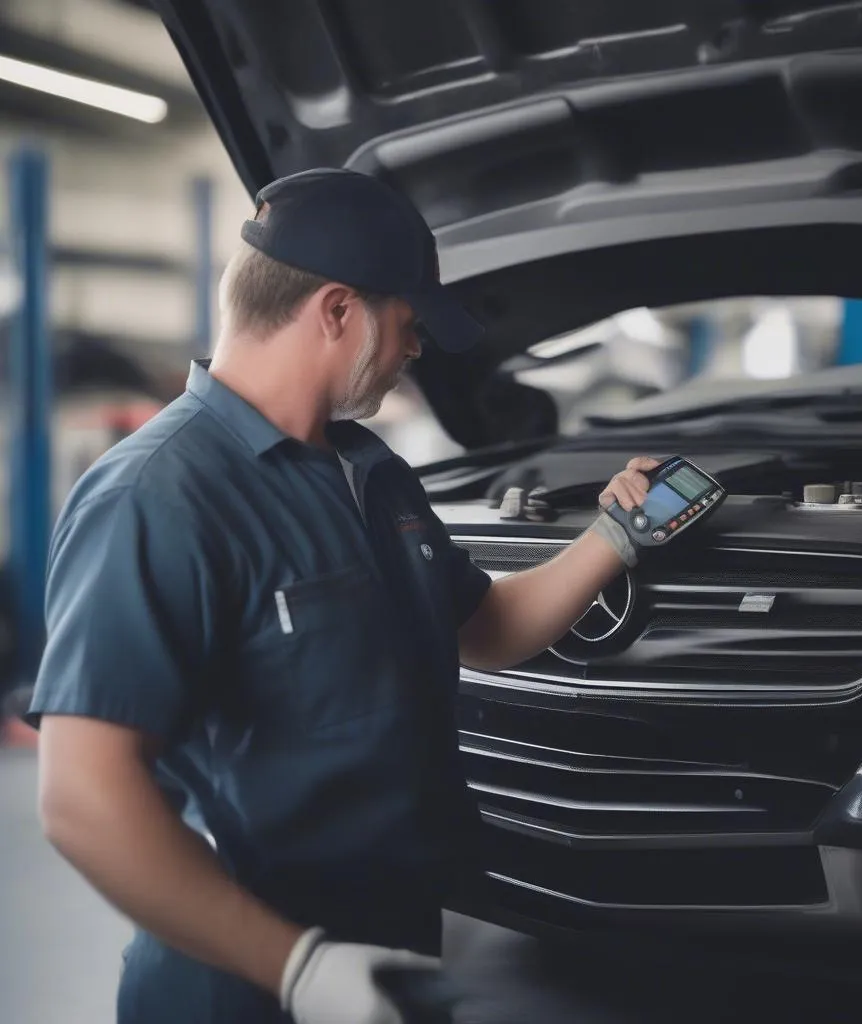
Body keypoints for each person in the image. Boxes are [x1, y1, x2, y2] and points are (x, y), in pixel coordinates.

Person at [26, 168, 657, 1024]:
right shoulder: (158, 496)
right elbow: (81, 798)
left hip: (387, 960)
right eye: (408, 325)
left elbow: (487, 626)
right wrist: (297, 969)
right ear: (336, 311)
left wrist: (615, 538)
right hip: (241, 986)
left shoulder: (370, 472)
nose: (415, 352)